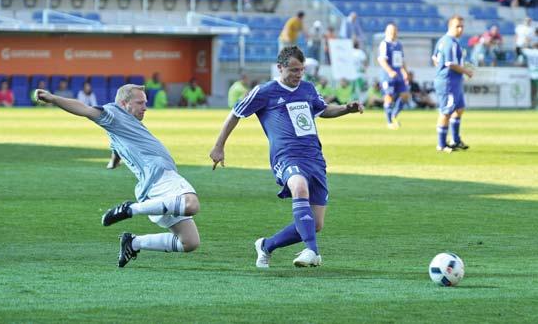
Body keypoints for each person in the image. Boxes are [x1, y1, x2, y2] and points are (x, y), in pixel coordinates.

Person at [209, 46, 364, 268]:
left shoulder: (308, 89)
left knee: (315, 223)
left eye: (301, 70)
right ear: (280, 68)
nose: (298, 74)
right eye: (293, 70)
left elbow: (323, 110)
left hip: (314, 158)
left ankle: (266, 246)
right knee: (299, 187)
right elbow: (236, 113)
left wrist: (346, 109)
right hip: (286, 157)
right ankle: (312, 251)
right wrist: (219, 146)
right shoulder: (265, 91)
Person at [35, 84, 201, 267]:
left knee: (189, 242)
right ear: (124, 103)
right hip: (161, 175)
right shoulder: (113, 114)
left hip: (152, 187)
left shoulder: (122, 126)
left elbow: (117, 147)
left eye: (145, 102)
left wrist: (114, 161)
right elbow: (85, 109)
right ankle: (130, 209)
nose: (145, 107)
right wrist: (53, 98)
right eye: (140, 103)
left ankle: (133, 242)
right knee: (191, 204)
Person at [432, 15, 473, 153]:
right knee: (446, 112)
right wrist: (466, 71)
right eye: (457, 26)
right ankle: (441, 145)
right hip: (448, 82)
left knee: (459, 108)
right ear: (450, 26)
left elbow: (435, 58)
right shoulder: (449, 42)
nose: (460, 29)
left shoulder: (443, 41)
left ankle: (455, 140)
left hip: (454, 81)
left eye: (462, 26)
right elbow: (450, 64)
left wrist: (440, 69)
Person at [377, 23, 410, 130]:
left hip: (399, 75)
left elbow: (401, 60)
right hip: (388, 76)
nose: (393, 33)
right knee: (389, 97)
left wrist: (405, 72)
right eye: (391, 31)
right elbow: (381, 60)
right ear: (386, 32)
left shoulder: (398, 45)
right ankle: (389, 122)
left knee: (405, 95)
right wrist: (390, 71)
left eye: (394, 31)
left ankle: (394, 114)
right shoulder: (384, 44)